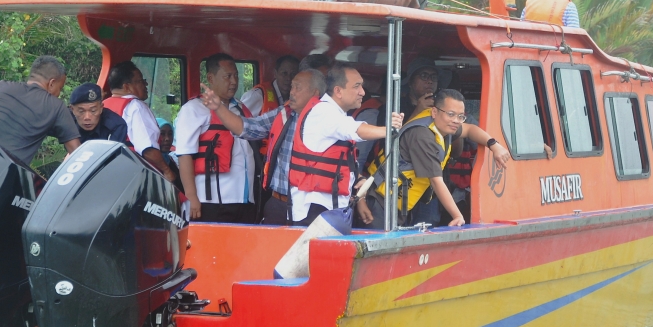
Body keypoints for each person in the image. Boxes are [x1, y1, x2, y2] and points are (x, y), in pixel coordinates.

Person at [359, 89, 510, 228]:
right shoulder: (422, 136)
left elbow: (470, 130)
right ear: (434, 112)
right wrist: (458, 216)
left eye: (460, 116)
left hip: (397, 203)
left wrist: (493, 145)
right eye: (450, 114)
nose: (456, 120)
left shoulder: (442, 125)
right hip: (380, 202)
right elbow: (436, 181)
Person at [200, 69, 325, 225]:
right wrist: (218, 107)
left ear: (315, 92)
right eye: (292, 86)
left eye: (297, 87)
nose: (291, 92)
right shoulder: (283, 114)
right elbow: (247, 127)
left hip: (311, 208)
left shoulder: (330, 121)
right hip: (278, 203)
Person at [289, 63, 403, 226]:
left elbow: (343, 165)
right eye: (357, 86)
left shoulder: (335, 115)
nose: (363, 92)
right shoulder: (324, 112)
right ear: (338, 91)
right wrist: (389, 130)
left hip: (333, 207)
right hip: (315, 209)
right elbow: (356, 130)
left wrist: (360, 198)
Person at [0, 55, 81, 165]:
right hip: (6, 174)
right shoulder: (56, 106)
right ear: (51, 83)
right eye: (60, 88)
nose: (59, 93)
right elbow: (76, 153)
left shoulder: (1, 87)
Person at [174, 53, 258, 223]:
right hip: (212, 201)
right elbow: (184, 155)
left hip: (244, 198)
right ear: (211, 78)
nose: (234, 81)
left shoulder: (240, 109)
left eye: (236, 75)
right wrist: (192, 197)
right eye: (228, 76)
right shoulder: (193, 109)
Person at [102, 61, 177, 183]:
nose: (145, 84)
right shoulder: (136, 106)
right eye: (141, 81)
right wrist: (167, 171)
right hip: (134, 174)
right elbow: (147, 149)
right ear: (127, 87)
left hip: (110, 172)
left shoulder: (103, 105)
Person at [157, 122, 182, 191]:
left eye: (170, 134)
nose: (167, 138)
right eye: (162, 134)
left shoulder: (171, 160)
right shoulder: (148, 162)